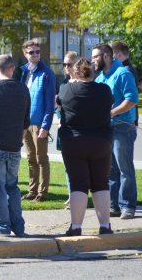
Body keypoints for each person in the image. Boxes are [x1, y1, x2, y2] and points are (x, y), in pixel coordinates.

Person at [57, 58, 115, 236]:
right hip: (101, 141)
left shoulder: (66, 89)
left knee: (78, 184)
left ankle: (76, 227)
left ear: (74, 72)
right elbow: (109, 104)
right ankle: (105, 225)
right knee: (101, 183)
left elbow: (60, 103)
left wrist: (73, 82)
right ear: (93, 72)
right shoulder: (104, 90)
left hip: (74, 142)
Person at [0, 55, 30, 237]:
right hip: (14, 145)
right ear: (13, 68)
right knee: (12, 186)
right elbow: (26, 120)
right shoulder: (23, 89)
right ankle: (18, 226)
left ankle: (2, 226)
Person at [92, 43, 139, 220]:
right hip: (106, 129)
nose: (92, 60)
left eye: (95, 56)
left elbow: (132, 99)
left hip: (122, 127)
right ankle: (114, 206)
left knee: (124, 168)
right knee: (109, 169)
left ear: (106, 56)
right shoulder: (100, 78)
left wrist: (111, 112)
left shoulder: (123, 73)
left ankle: (128, 206)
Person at [20, 39, 55, 202]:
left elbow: (50, 103)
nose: (35, 55)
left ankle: (42, 192)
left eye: (37, 52)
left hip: (39, 123)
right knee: (30, 158)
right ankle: (32, 190)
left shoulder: (47, 73)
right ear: (24, 54)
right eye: (31, 52)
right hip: (25, 123)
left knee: (41, 159)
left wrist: (46, 126)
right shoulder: (23, 72)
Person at [57, 51, 78, 209]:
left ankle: (79, 196)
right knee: (68, 165)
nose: (66, 67)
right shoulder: (64, 84)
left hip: (79, 131)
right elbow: (59, 107)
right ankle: (72, 196)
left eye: (69, 64)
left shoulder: (83, 83)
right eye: (64, 64)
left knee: (80, 166)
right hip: (65, 130)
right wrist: (59, 117)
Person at [110, 41, 139, 126]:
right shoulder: (128, 68)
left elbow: (132, 98)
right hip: (125, 120)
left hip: (123, 121)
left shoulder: (125, 71)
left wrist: (135, 121)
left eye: (111, 55)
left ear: (119, 55)